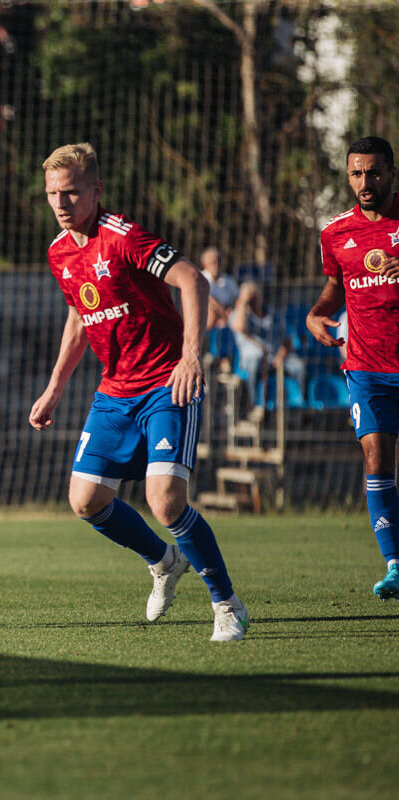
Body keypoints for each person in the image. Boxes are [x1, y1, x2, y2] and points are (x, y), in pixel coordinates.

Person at [29, 142, 249, 642]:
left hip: (167, 383)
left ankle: (226, 603)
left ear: (96, 191)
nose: (61, 203)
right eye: (52, 194)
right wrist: (54, 388)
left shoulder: (123, 237)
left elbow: (193, 281)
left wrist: (192, 354)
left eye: (71, 192)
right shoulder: (60, 253)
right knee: (85, 500)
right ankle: (163, 561)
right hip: (114, 392)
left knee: (166, 501)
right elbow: (80, 320)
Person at [306, 135, 399, 601]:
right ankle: (395, 564)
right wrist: (314, 312)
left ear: (391, 173)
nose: (366, 182)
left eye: (375, 172)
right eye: (357, 173)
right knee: (376, 460)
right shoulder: (335, 234)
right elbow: (334, 287)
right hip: (366, 367)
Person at [229, 280, 305, 407]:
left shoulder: (273, 315)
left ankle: (299, 405)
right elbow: (240, 326)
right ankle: (255, 406)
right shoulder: (239, 315)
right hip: (252, 360)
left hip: (275, 357)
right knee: (255, 361)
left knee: (298, 366)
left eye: (255, 297)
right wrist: (243, 301)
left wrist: (280, 355)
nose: (253, 301)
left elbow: (288, 340)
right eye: (250, 298)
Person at [200, 247, 238, 330]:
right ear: (205, 264)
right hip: (207, 319)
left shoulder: (229, 280)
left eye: (219, 262)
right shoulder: (199, 279)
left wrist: (229, 311)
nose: (217, 265)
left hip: (228, 317)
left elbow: (237, 299)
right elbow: (210, 301)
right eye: (213, 262)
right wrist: (224, 315)